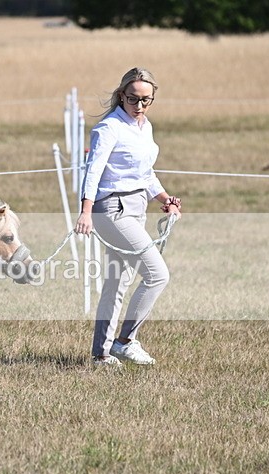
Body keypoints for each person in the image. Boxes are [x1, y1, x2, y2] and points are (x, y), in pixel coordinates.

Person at [74, 67, 182, 367]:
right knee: (157, 275)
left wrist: (165, 199)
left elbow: (144, 174)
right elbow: (93, 170)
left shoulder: (144, 126)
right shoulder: (109, 128)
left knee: (117, 283)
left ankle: (101, 354)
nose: (139, 105)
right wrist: (85, 211)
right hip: (111, 210)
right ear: (122, 96)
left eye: (146, 100)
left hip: (136, 207)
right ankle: (125, 341)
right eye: (133, 99)